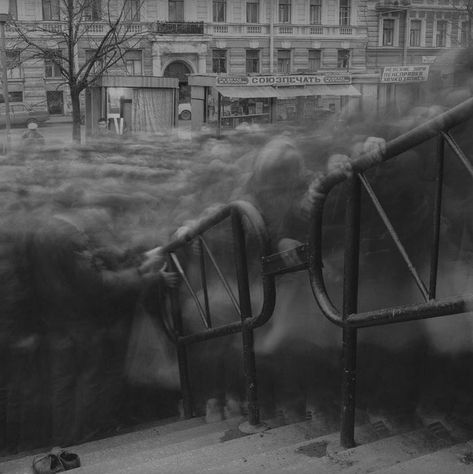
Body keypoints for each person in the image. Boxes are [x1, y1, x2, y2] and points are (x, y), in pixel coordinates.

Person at [29, 200, 178, 446]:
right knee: (89, 381)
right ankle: (84, 435)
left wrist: (140, 259)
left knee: (64, 385)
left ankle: (66, 438)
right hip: (81, 322)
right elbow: (98, 283)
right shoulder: (71, 237)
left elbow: (106, 260)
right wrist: (143, 275)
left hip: (55, 322)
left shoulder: (42, 232)